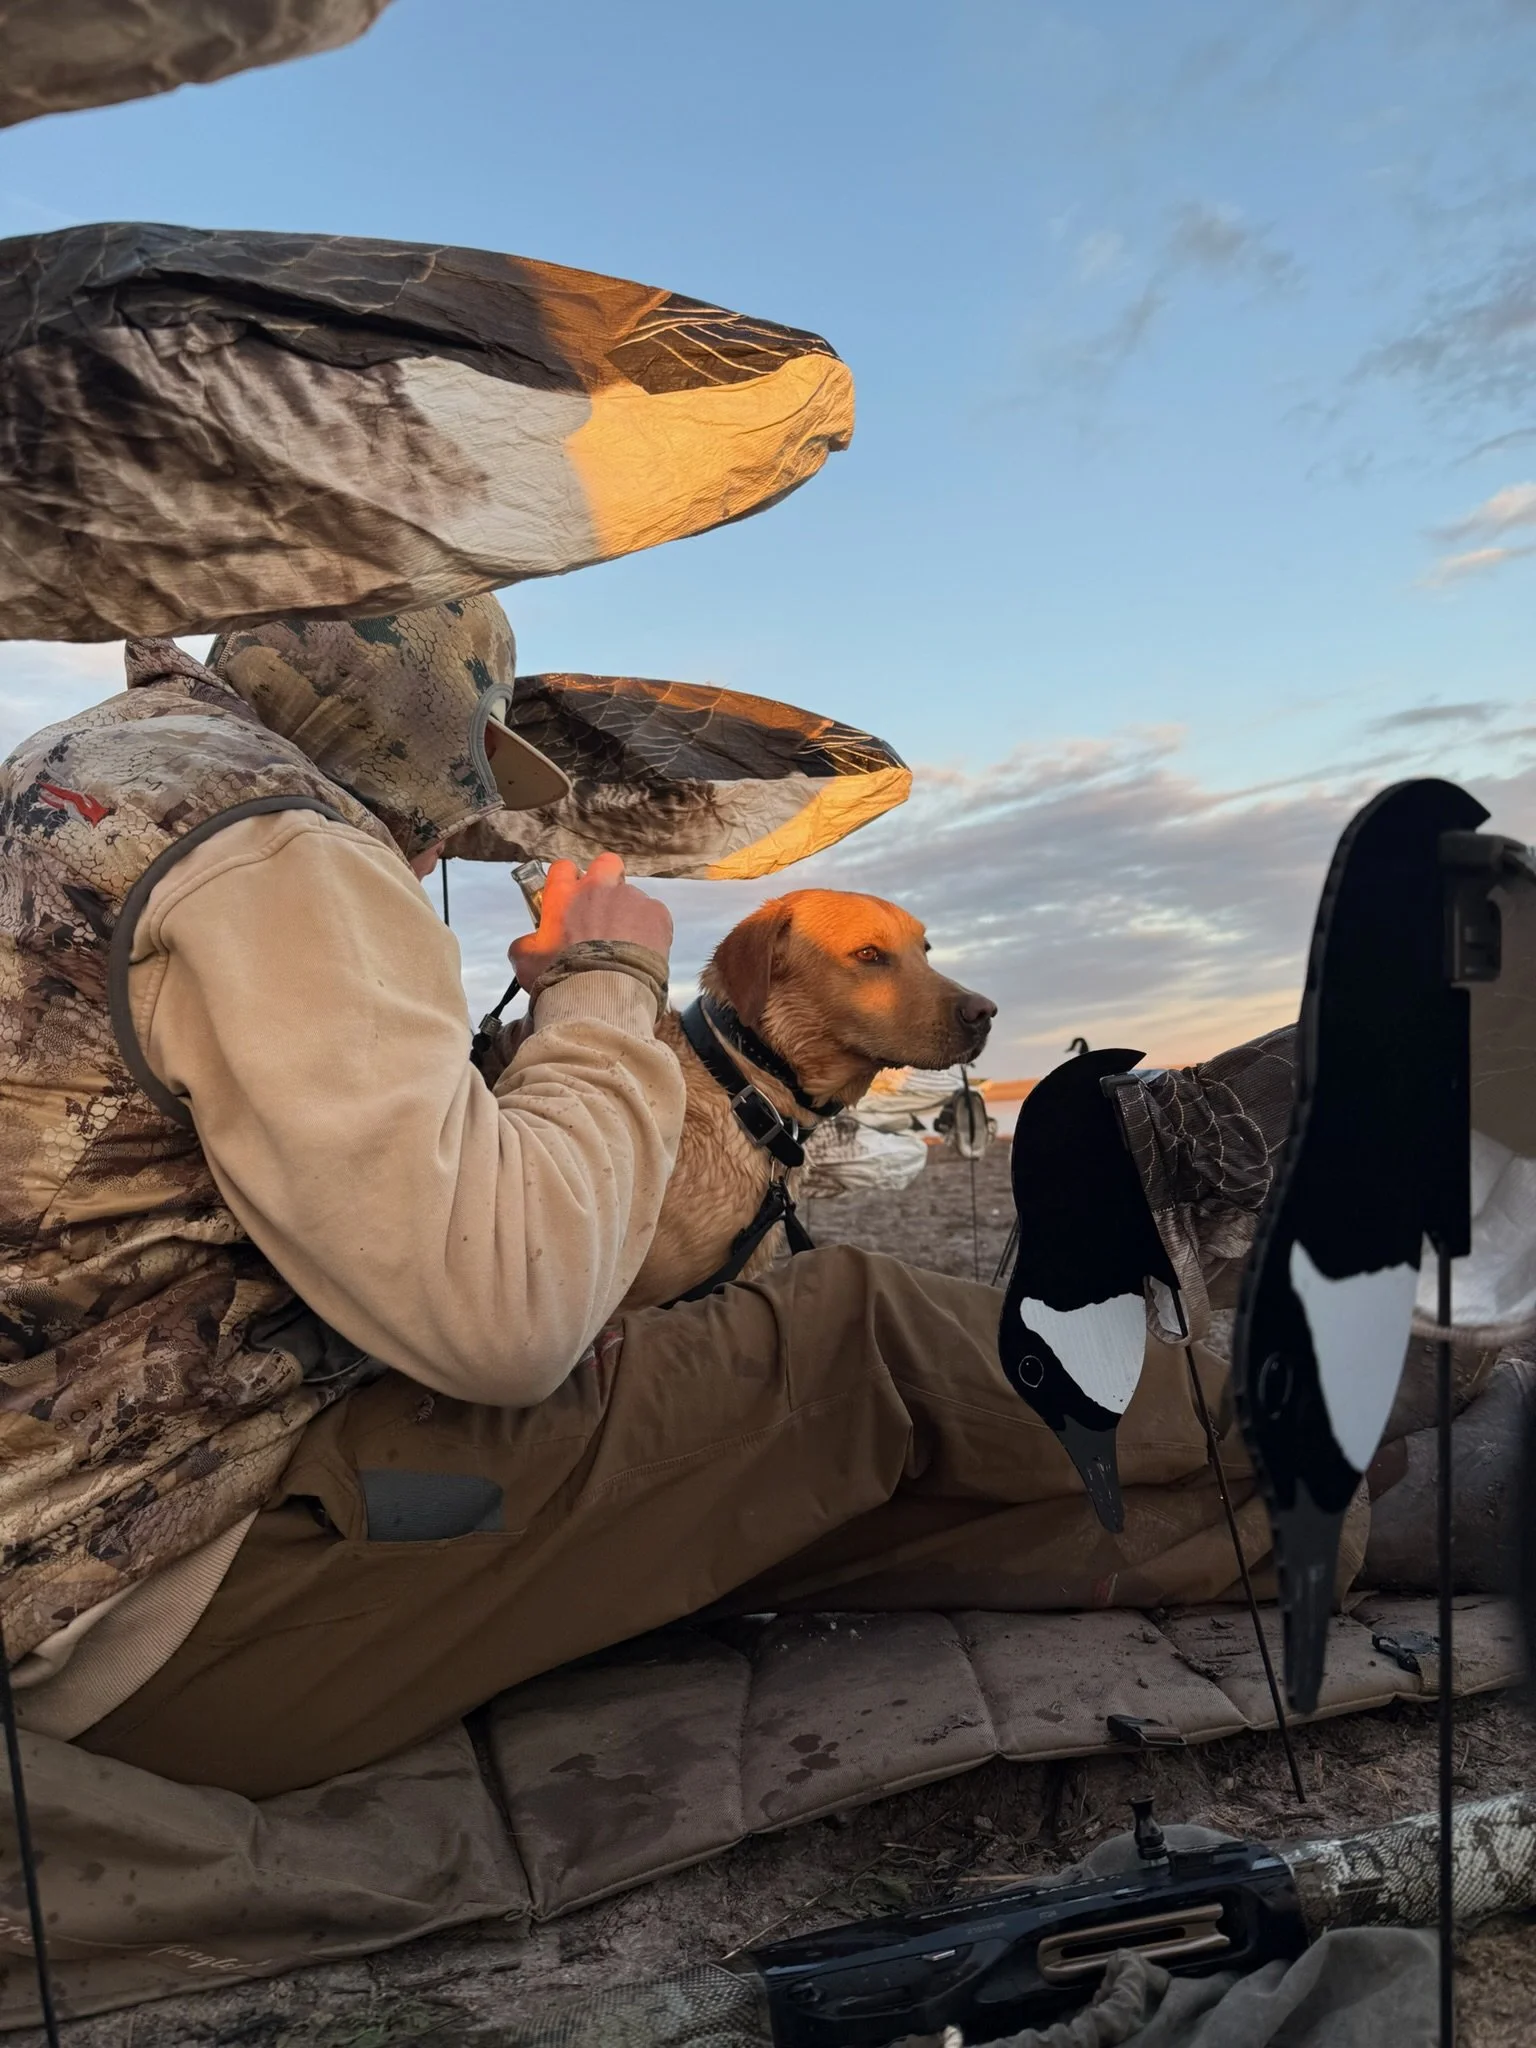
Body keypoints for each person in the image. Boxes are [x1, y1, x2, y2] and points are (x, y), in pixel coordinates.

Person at [0, 601, 1365, 1800]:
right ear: (415, 755)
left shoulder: (71, 786)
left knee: (771, 1489)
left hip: (103, 1564)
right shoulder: (272, 846)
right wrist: (603, 982)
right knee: (849, 1333)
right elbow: (509, 1320)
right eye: (445, 811)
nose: (431, 856)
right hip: (177, 1610)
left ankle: (1326, 1517)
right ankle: (1308, 1421)